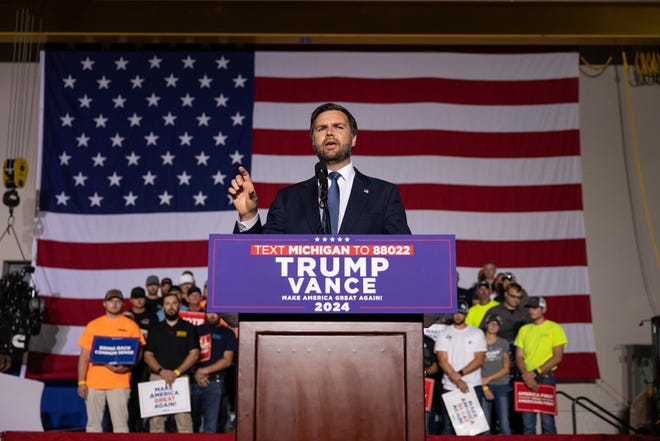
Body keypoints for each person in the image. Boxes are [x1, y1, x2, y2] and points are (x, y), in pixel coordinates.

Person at [228, 102, 411, 235]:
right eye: (321, 128)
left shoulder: (384, 194)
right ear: (313, 140)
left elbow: (404, 254)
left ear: (354, 138)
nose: (329, 133)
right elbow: (260, 257)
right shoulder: (288, 199)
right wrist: (249, 215)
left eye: (338, 127)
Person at [77, 289, 146, 432]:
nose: (114, 304)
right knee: (93, 426)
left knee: (120, 426)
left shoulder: (131, 325)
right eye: (111, 301)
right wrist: (81, 382)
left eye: (118, 301)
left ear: (122, 304)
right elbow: (84, 356)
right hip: (94, 383)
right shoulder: (93, 325)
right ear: (104, 303)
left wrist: (128, 367)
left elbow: (139, 351)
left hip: (119, 383)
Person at [144, 291, 201, 433]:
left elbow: (194, 354)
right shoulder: (155, 329)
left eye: (174, 303)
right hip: (157, 377)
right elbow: (147, 355)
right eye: (167, 303)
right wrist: (162, 371)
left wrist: (176, 372)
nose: (171, 306)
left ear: (180, 306)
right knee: (156, 422)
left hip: (180, 378)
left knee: (184, 422)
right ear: (162, 307)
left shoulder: (189, 328)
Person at [514, 296, 568, 434]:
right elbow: (518, 356)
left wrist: (534, 373)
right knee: (527, 424)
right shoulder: (524, 329)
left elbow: (557, 357)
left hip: (545, 377)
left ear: (544, 309)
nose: (531, 310)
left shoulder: (554, 328)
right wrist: (526, 375)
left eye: (535, 307)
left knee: (547, 422)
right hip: (526, 379)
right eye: (529, 308)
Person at [435, 301, 487, 435]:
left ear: (467, 314)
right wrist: (457, 380)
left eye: (461, 313)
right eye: (456, 312)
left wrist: (459, 375)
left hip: (473, 385)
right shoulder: (443, 333)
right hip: (450, 386)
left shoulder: (477, 333)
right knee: (448, 427)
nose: (458, 316)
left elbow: (479, 359)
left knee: (473, 428)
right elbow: (442, 360)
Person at [191, 309, 238, 433]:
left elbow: (227, 360)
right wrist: (196, 372)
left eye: (215, 312)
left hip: (215, 383)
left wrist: (204, 371)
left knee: (210, 426)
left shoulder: (227, 333)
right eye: (209, 312)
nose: (212, 315)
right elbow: (187, 354)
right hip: (194, 381)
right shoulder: (195, 330)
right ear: (204, 313)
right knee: (191, 424)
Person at [124, 287, 159, 432]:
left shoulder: (152, 317)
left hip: (144, 365)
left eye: (141, 297)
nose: (139, 300)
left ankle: (142, 428)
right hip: (126, 364)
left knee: (143, 398)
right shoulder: (125, 316)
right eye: (136, 297)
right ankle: (128, 427)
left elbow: (157, 340)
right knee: (127, 398)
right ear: (131, 300)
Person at [480, 314, 512, 434]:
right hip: (484, 387)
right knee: (485, 424)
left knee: (504, 422)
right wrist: (484, 387)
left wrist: (487, 379)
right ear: (486, 324)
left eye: (497, 324)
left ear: (499, 328)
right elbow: (475, 366)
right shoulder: (478, 342)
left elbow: (506, 368)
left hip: (501, 385)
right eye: (491, 323)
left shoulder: (503, 343)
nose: (493, 326)